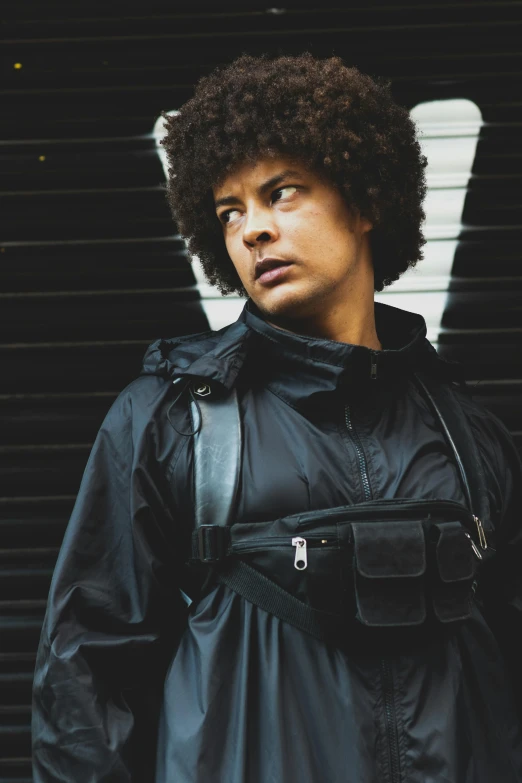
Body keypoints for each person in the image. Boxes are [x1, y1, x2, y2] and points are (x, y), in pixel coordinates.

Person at [32, 53, 522, 783]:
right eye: (230, 212)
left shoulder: (461, 428)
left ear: (362, 202)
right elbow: (84, 689)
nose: (252, 230)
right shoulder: (171, 422)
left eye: (281, 193)